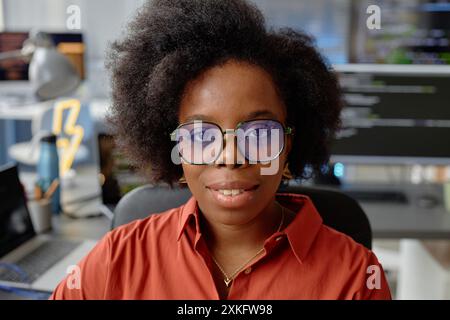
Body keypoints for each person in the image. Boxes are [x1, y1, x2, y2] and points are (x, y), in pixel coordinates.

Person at [50, 0, 391, 299]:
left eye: (259, 133)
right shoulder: (114, 261)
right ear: (175, 147)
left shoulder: (356, 278)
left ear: (288, 144)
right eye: (201, 135)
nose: (230, 157)